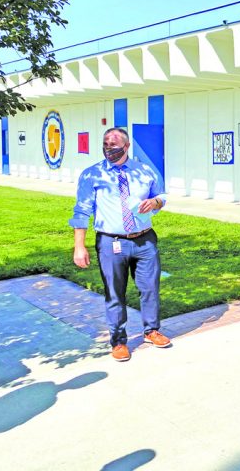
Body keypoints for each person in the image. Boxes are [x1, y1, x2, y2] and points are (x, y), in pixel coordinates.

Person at [69, 128, 170, 362]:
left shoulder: (144, 171)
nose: (109, 149)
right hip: (110, 242)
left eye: (114, 145)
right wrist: (79, 246)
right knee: (115, 293)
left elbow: (161, 196)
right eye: (105, 144)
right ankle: (118, 341)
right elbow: (82, 211)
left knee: (150, 288)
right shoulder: (92, 174)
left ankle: (151, 330)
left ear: (126, 147)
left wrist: (155, 202)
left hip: (144, 239)